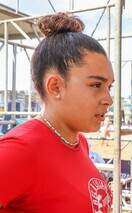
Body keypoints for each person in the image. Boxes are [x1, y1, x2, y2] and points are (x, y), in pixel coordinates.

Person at [0, 13, 113, 212]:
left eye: (109, 87)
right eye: (96, 85)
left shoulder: (79, 142)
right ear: (55, 87)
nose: (108, 99)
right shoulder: (20, 151)